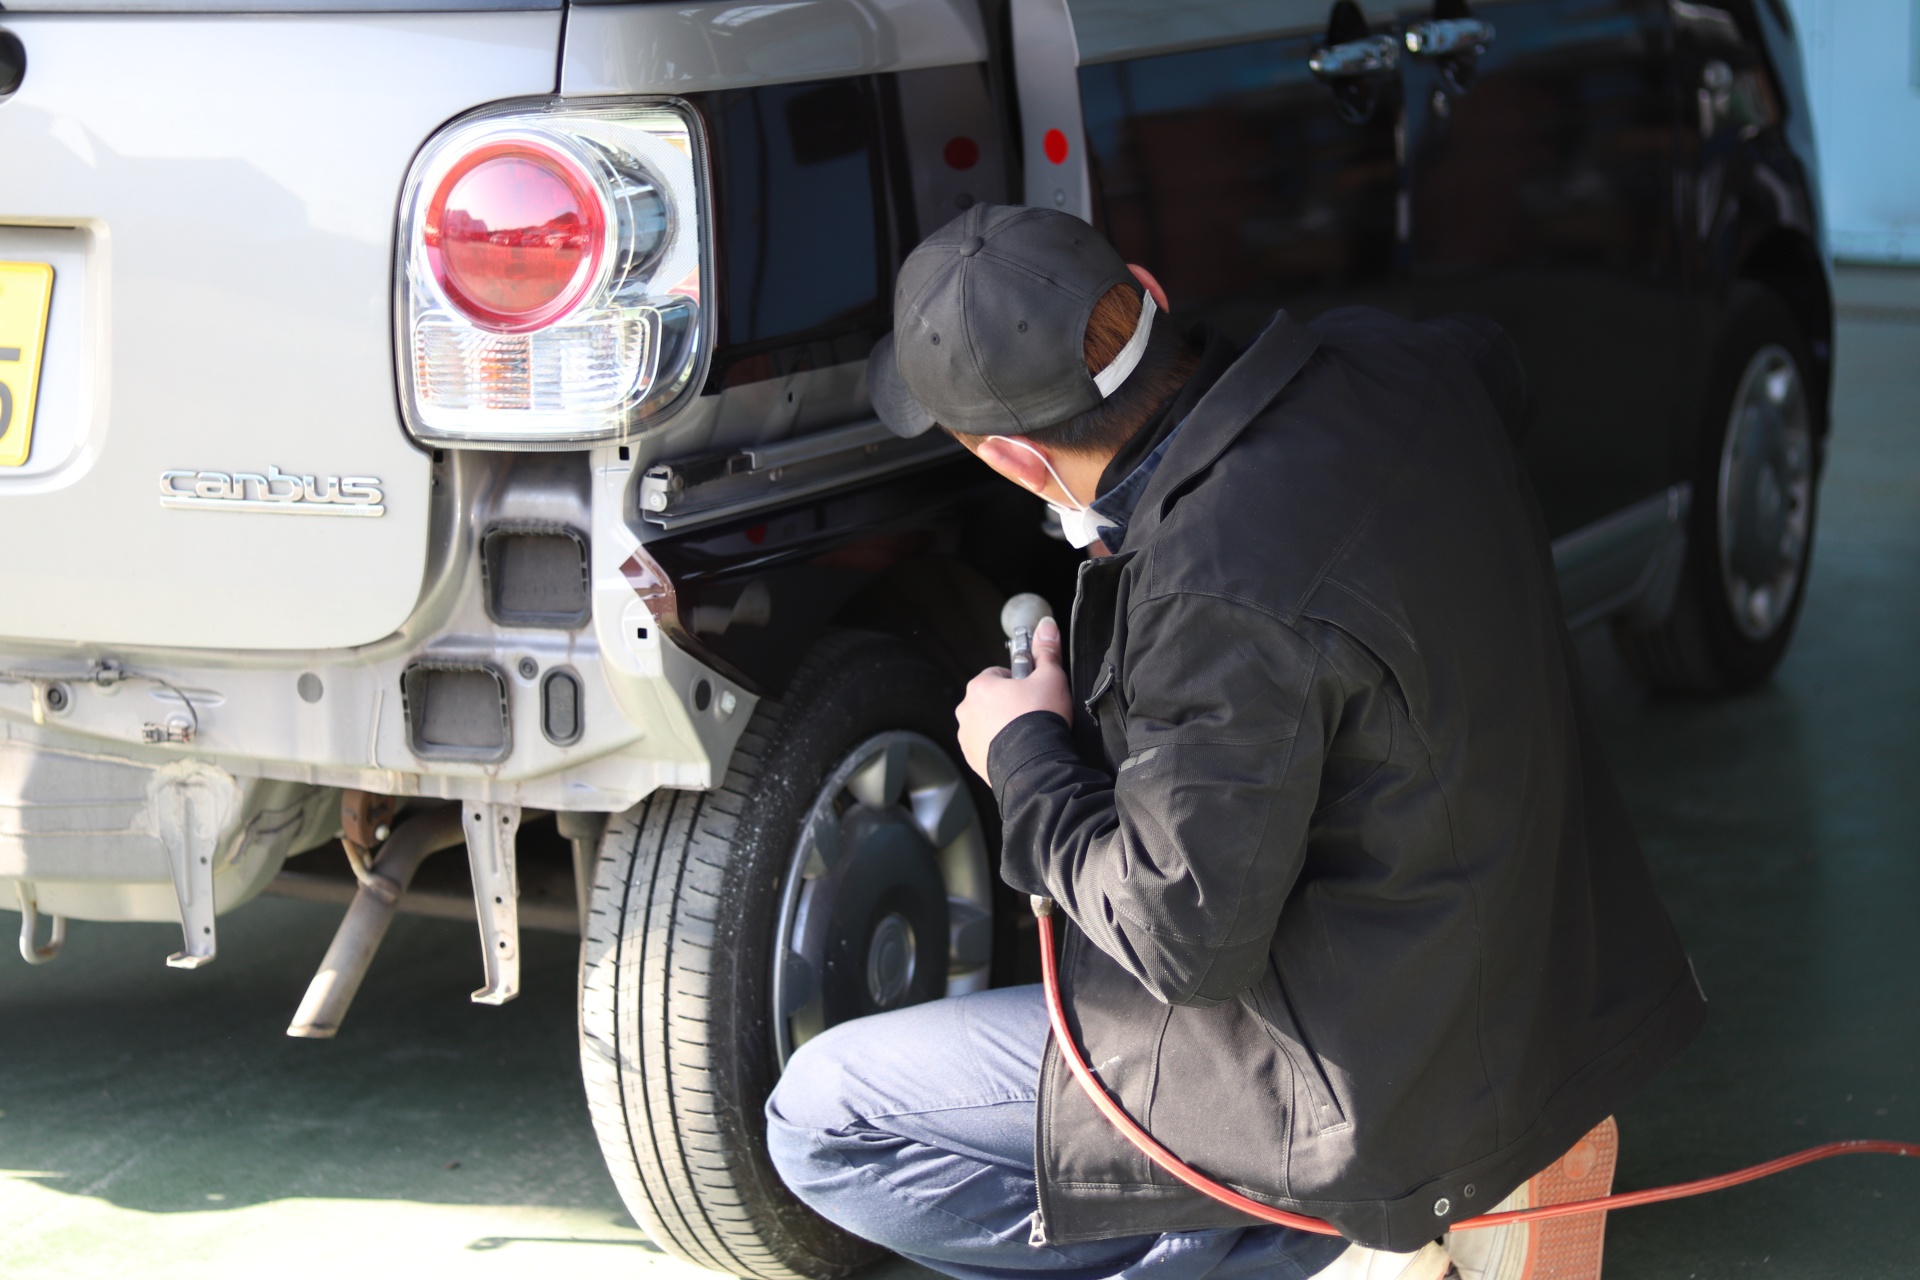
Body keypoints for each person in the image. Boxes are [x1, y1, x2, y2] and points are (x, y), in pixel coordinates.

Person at [764, 205, 1706, 1280]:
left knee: (823, 1115)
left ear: (1019, 460)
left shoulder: (1211, 591)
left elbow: (1186, 942)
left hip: (1369, 1082)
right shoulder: (1398, 359)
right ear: (1152, 292)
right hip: (1535, 985)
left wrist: (1025, 753)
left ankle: (1312, 1247)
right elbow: (1498, 373)